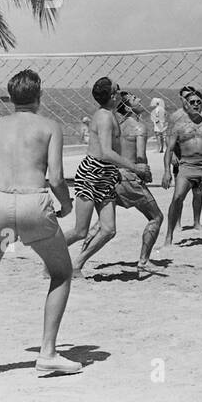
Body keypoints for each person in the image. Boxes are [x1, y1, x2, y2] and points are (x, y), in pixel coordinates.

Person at [0, 69, 81, 380]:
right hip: (33, 204)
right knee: (61, 274)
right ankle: (47, 353)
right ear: (39, 96)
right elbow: (58, 178)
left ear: (10, 97)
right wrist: (66, 204)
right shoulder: (50, 126)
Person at [69, 77, 147, 276]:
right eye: (117, 89)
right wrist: (135, 168)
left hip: (107, 174)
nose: (121, 91)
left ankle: (76, 264)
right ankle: (50, 261)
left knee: (109, 229)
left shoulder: (112, 114)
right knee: (80, 231)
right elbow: (106, 152)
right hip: (92, 173)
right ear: (112, 95)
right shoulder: (104, 116)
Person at [102, 91, 166, 275]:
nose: (140, 99)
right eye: (134, 98)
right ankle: (143, 261)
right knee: (156, 217)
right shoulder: (139, 127)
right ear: (128, 106)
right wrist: (145, 173)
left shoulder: (114, 124)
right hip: (129, 177)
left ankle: (79, 258)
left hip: (111, 176)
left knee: (102, 225)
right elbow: (140, 156)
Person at [162, 89, 202, 245]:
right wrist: (167, 172)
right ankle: (169, 235)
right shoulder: (178, 126)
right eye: (192, 102)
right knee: (177, 198)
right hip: (187, 166)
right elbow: (169, 149)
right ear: (186, 104)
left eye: (199, 102)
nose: (196, 104)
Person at [165, 86, 202, 228]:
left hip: (196, 160)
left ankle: (197, 222)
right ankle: (177, 222)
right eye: (185, 97)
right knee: (179, 194)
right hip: (180, 159)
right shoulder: (175, 116)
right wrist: (173, 155)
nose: (189, 100)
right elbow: (168, 137)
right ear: (181, 98)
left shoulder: (200, 115)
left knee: (198, 191)